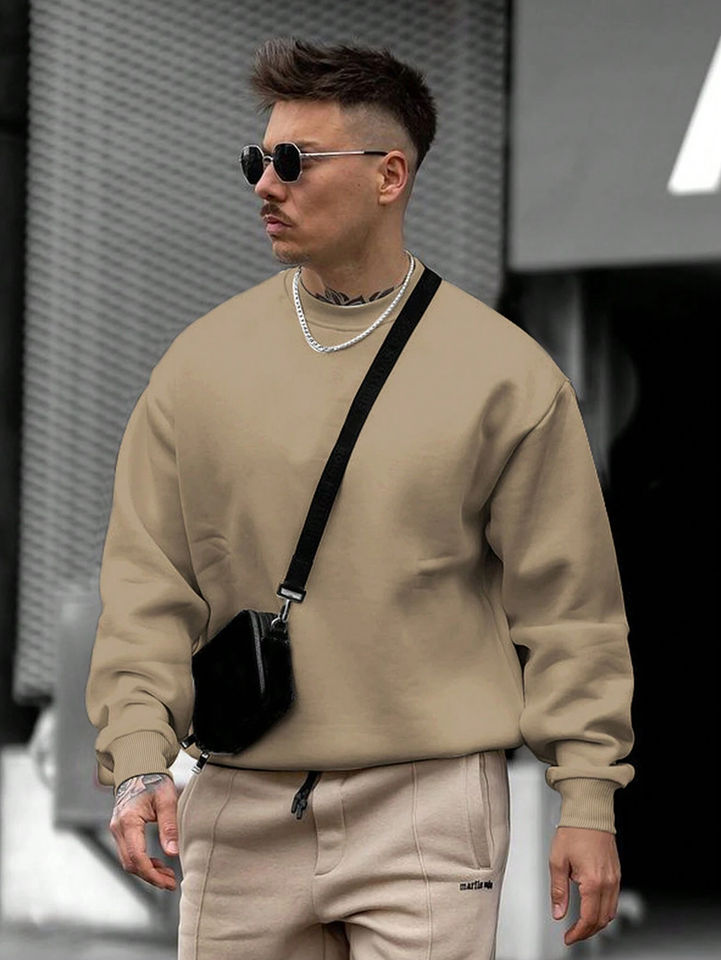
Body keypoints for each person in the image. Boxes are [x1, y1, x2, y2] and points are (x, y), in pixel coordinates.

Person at [85, 36, 635, 959]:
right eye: (257, 159)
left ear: (389, 175)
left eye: (293, 161)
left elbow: (570, 608)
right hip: (237, 802)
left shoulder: (503, 375)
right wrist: (139, 759)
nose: (265, 184)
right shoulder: (200, 366)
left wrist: (587, 796)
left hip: (429, 805)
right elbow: (148, 583)